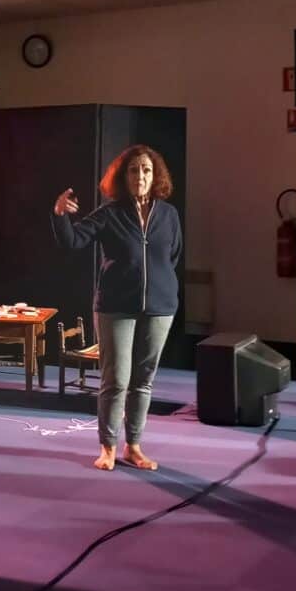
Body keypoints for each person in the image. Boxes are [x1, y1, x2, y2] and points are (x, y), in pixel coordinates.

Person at [51, 145, 182, 472]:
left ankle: (133, 447)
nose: (140, 176)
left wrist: (160, 286)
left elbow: (173, 256)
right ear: (123, 177)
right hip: (116, 307)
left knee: (143, 380)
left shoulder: (169, 215)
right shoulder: (109, 213)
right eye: (134, 170)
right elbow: (73, 241)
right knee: (116, 380)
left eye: (146, 170)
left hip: (160, 306)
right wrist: (60, 215)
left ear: (155, 176)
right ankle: (107, 447)